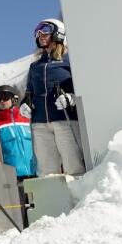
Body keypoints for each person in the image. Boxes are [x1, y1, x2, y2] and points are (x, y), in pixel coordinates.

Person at [22, 18, 86, 175]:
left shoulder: (69, 61)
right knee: (47, 170)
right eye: (38, 32)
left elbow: (82, 88)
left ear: (59, 33)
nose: (40, 34)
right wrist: (25, 104)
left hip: (65, 120)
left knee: (73, 166)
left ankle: (78, 190)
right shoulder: (35, 67)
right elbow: (29, 92)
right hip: (40, 124)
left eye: (45, 30)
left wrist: (71, 98)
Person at [0, 84, 35, 179]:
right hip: (11, 178)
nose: (2, 101)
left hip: (35, 173)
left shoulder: (27, 119)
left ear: (14, 99)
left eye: (5, 97)